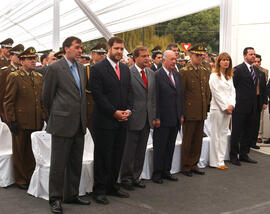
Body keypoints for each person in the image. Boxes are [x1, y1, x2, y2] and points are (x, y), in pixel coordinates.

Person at [42, 36, 90, 214]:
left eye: (81, 47)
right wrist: (55, 116)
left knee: (75, 161)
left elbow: (81, 96)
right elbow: (46, 97)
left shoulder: (80, 67)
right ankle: (55, 198)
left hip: (78, 123)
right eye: (77, 47)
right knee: (58, 163)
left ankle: (72, 194)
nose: (80, 51)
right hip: (62, 123)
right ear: (66, 49)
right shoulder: (55, 68)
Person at [90, 36, 133, 205]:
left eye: (122, 49)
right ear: (109, 48)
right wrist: (114, 112)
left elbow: (129, 92)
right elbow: (98, 96)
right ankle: (99, 190)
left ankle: (112, 186)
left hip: (122, 120)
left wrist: (128, 110)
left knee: (117, 155)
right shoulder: (97, 69)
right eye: (116, 48)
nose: (119, 52)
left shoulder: (124, 68)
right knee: (103, 156)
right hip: (104, 121)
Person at [3, 47, 46, 190]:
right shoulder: (14, 76)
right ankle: (20, 179)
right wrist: (11, 120)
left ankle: (29, 176)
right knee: (20, 150)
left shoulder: (38, 77)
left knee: (31, 150)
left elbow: (40, 100)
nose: (34, 61)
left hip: (34, 119)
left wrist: (42, 117)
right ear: (22, 61)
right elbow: (8, 101)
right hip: (20, 121)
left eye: (34, 59)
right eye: (30, 59)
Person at [120, 46, 156, 190]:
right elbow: (126, 96)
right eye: (143, 56)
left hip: (147, 119)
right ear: (135, 58)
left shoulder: (151, 74)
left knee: (141, 150)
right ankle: (126, 178)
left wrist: (153, 116)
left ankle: (136, 176)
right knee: (129, 151)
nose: (147, 58)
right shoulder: (128, 73)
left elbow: (153, 98)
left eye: (148, 56)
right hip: (133, 118)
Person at [152, 50, 184, 184]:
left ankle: (166, 170)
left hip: (175, 117)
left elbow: (180, 96)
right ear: (164, 60)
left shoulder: (176, 75)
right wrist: (157, 117)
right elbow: (155, 99)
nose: (174, 62)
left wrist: (181, 114)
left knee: (170, 146)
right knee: (160, 146)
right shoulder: (157, 76)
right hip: (163, 118)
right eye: (171, 59)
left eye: (175, 59)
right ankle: (157, 173)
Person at [180, 44, 210, 177]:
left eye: (201, 55)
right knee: (188, 140)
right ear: (191, 56)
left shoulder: (204, 70)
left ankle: (194, 164)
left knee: (198, 140)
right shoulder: (185, 71)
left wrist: (206, 106)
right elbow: (181, 93)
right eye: (197, 55)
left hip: (201, 110)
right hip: (189, 110)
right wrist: (182, 112)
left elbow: (206, 91)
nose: (200, 58)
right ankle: (186, 166)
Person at [230, 47, 259, 166]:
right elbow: (233, 87)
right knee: (237, 132)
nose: (253, 56)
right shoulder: (238, 70)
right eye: (251, 54)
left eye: (254, 54)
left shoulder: (255, 70)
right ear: (244, 56)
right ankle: (233, 156)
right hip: (240, 106)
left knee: (248, 131)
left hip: (252, 107)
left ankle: (244, 154)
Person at [209, 52, 235, 170]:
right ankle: (214, 161)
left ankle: (221, 159)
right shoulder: (214, 76)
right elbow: (216, 93)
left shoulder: (229, 77)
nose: (226, 62)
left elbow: (233, 92)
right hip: (218, 109)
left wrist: (232, 105)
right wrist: (225, 106)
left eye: (228, 60)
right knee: (216, 135)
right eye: (223, 60)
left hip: (228, 109)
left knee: (224, 134)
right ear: (218, 62)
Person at [85, 43, 107, 135]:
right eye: (99, 54)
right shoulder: (86, 69)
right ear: (92, 55)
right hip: (91, 106)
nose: (102, 56)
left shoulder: (108, 69)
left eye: (103, 54)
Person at [0, 44, 24, 122]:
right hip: (9, 111)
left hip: (21, 110)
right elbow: (3, 93)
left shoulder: (23, 71)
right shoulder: (5, 72)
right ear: (11, 57)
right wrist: (3, 112)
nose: (19, 58)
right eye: (17, 55)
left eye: (21, 56)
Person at [253, 54, 269, 144]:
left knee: (260, 119)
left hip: (260, 97)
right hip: (250, 98)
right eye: (255, 61)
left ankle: (259, 135)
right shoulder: (248, 70)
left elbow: (264, 86)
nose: (257, 63)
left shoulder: (264, 72)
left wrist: (264, 101)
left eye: (258, 62)